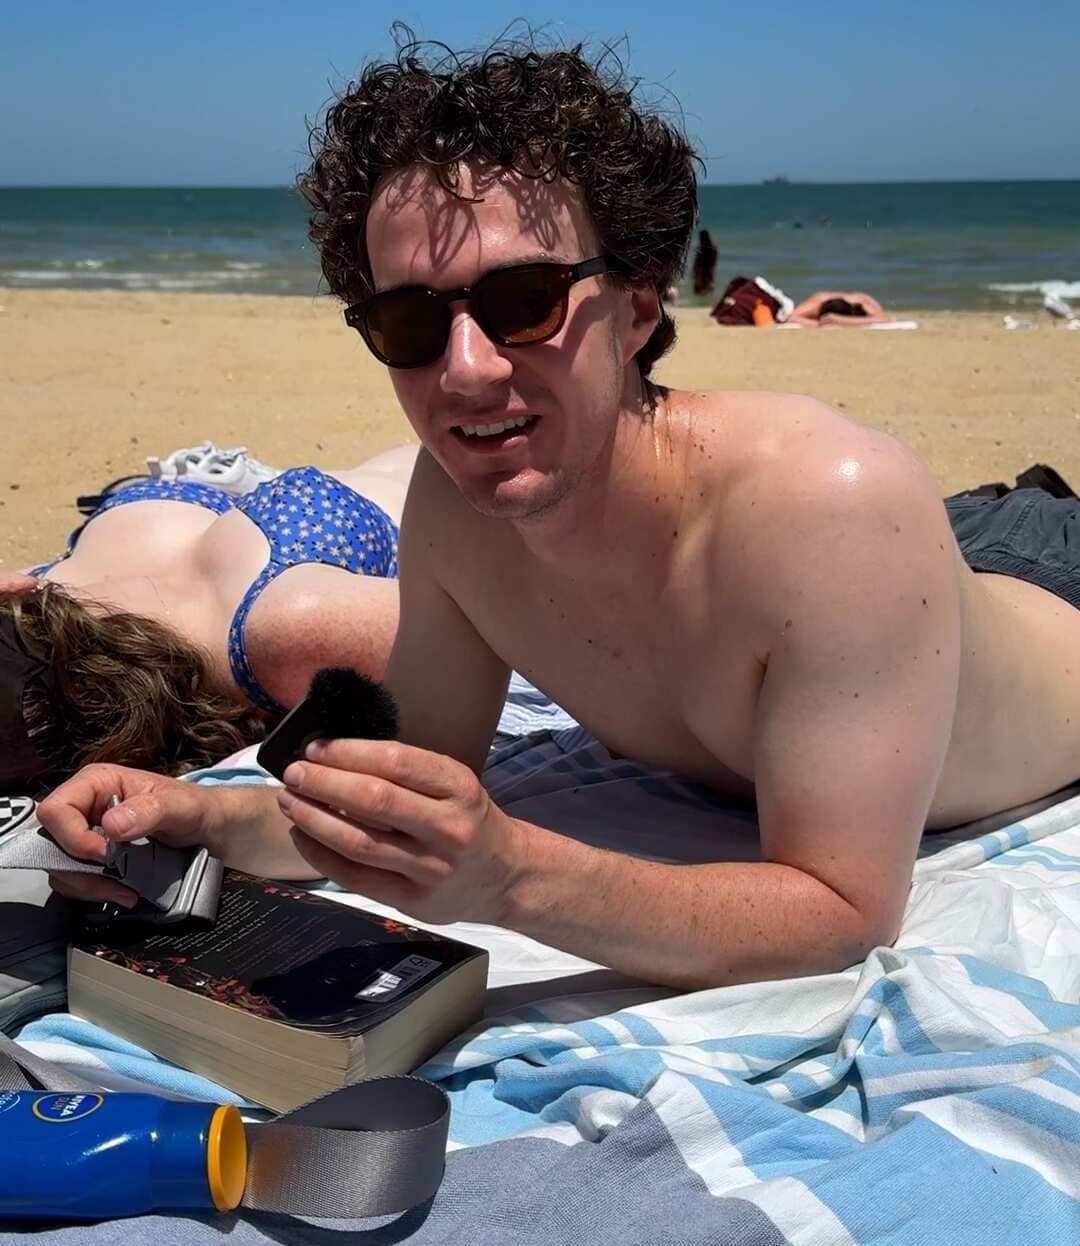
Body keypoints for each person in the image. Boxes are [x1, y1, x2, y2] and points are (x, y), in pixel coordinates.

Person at [40, 37, 1080, 993]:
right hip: (899, 593)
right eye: (409, 320)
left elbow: (843, 911)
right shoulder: (457, 514)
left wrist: (514, 876)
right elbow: (412, 784)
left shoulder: (833, 511)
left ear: (635, 309)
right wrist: (200, 817)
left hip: (1039, 581)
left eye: (523, 301)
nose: (466, 370)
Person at [0, 446, 417, 793]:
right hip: (157, 525)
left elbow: (474, 644)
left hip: (283, 579)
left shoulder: (289, 634)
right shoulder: (286, 632)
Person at [787, 290, 892, 326]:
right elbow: (790, 317)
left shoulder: (861, 304)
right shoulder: (817, 304)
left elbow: (885, 319)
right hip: (825, 301)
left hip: (861, 299)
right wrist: (818, 323)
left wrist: (839, 320)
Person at [691, 229, 718, 296]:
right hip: (708, 269)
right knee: (708, 286)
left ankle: (701, 301)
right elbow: (714, 259)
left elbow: (697, 260)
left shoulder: (702, 247)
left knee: (699, 287)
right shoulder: (713, 247)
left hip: (701, 269)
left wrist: (695, 270)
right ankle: (707, 301)